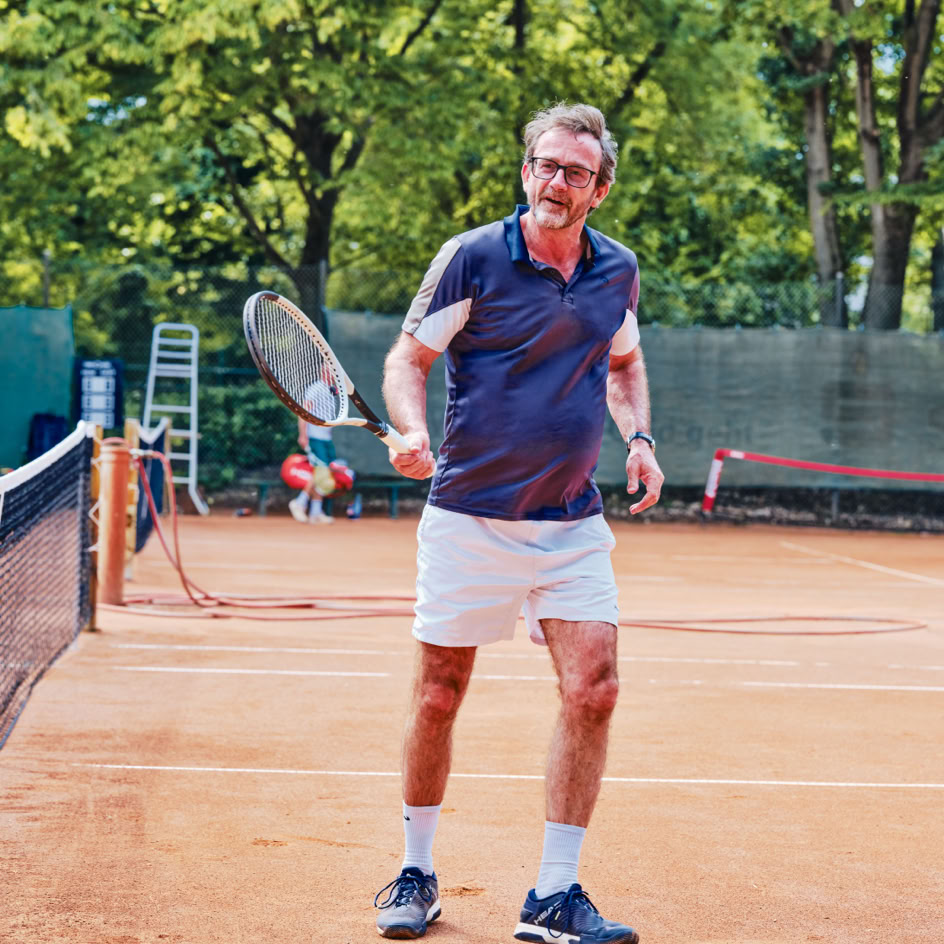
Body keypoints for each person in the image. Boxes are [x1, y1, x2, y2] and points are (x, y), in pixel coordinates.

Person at [373, 103, 664, 943]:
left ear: (599, 189)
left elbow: (624, 360)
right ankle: (416, 873)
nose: (554, 181)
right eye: (543, 165)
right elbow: (408, 359)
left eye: (574, 171)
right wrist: (412, 426)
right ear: (526, 171)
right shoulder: (470, 258)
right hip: (468, 517)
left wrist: (638, 439)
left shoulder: (618, 271)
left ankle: (553, 897)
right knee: (438, 694)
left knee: (596, 687)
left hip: (570, 522)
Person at [288, 379, 336, 524]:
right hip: (315, 437)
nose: (334, 372)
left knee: (320, 473)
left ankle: (315, 512)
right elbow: (303, 413)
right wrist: (303, 434)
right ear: (324, 371)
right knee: (321, 473)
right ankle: (299, 503)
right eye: (330, 369)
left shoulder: (331, 390)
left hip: (326, 438)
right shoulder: (315, 389)